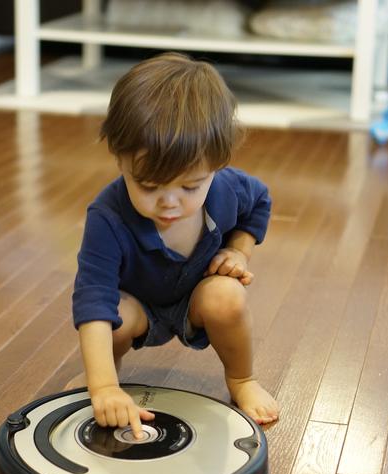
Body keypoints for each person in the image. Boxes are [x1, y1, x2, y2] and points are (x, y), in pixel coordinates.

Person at [72, 52, 279, 439]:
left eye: (190, 187)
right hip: (138, 308)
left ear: (217, 166)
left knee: (227, 298)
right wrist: (103, 388)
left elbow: (260, 201)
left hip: (196, 298)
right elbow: (93, 301)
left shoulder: (228, 187)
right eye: (148, 186)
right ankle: (106, 377)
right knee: (111, 314)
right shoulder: (106, 217)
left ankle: (242, 379)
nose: (169, 202)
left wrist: (239, 250)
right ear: (120, 161)